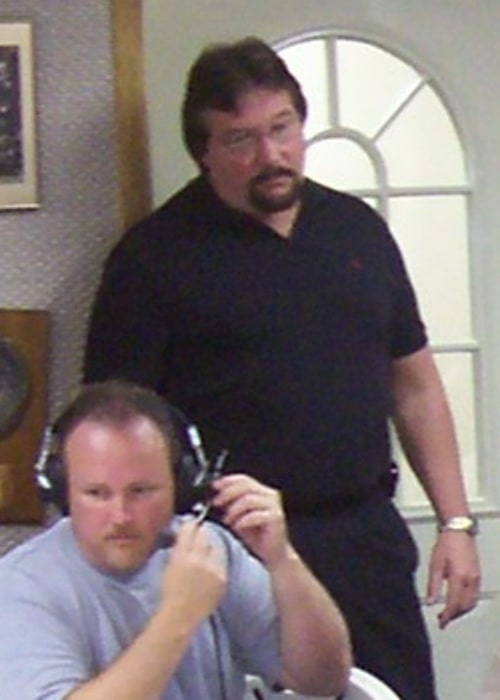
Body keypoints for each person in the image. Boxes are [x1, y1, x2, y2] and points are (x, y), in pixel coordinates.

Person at [83, 36, 481, 699]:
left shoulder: (357, 230)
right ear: (204, 152)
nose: (271, 156)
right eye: (241, 140)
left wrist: (456, 524)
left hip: (363, 537)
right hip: (232, 552)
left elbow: (414, 386)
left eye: (282, 129)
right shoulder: (151, 261)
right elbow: (111, 433)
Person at [0, 380, 351, 700]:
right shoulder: (22, 586)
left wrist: (282, 561)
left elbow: (322, 681)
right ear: (62, 492)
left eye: (141, 491)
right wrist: (180, 612)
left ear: (181, 487)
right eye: (97, 493)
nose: (120, 515)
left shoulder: (210, 550)